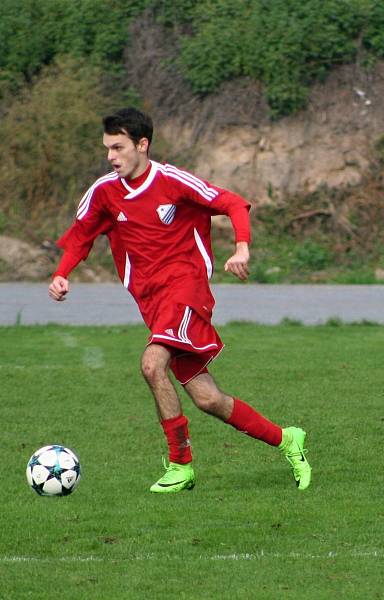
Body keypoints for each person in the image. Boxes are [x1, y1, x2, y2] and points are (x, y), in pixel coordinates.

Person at [48, 107, 311, 493]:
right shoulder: (104, 193)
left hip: (187, 290)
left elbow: (233, 203)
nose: (110, 156)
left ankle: (180, 464)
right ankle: (288, 439)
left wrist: (242, 248)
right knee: (208, 399)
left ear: (142, 144)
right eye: (107, 148)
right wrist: (61, 273)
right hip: (153, 304)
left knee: (152, 364)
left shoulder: (173, 181)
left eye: (118, 147)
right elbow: (81, 235)